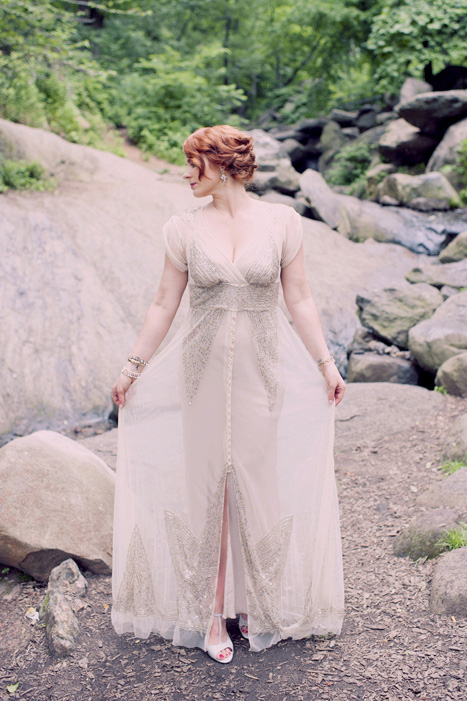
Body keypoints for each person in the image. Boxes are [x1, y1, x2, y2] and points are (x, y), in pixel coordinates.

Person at [110, 125, 345, 664]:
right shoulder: (182, 229)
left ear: (220, 166)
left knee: (258, 484)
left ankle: (259, 607)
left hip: (263, 373)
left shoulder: (283, 223)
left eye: (193, 164)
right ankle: (211, 614)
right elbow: (163, 305)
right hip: (202, 376)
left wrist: (326, 365)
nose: (186, 174)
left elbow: (301, 299)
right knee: (209, 488)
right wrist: (132, 368)